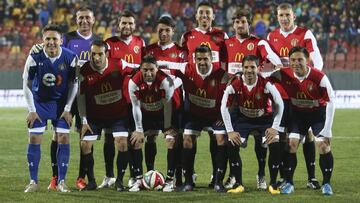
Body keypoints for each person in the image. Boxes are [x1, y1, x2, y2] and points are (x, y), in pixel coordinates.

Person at [30, 7, 100, 190]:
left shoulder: (99, 42)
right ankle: (56, 177)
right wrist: (37, 47)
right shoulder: (66, 38)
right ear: (76, 20)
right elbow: (49, 50)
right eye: (81, 18)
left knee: (85, 137)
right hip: (66, 95)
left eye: (87, 18)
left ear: (93, 20)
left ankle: (81, 178)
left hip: (87, 96)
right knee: (58, 135)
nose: (84, 21)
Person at [223, 8, 283, 190]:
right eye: (237, 22)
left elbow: (270, 55)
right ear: (233, 24)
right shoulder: (226, 44)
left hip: (257, 101)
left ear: (249, 23)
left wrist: (277, 63)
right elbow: (220, 66)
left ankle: (262, 175)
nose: (240, 25)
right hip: (235, 102)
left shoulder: (258, 42)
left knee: (261, 143)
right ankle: (233, 177)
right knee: (229, 140)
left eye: (243, 22)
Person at [267, 2, 323, 189]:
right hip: (282, 95)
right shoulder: (271, 36)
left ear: (293, 16)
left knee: (307, 134)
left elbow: (317, 60)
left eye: (287, 15)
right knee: (284, 138)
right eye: (281, 15)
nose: (284, 18)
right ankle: (285, 177)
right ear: (277, 17)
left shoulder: (304, 34)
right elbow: (273, 66)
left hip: (301, 94)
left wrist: (310, 80)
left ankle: (312, 178)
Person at [270, 46, 335, 195]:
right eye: (292, 60)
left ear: (307, 60)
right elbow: (264, 79)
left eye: (300, 59)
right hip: (298, 115)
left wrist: (328, 128)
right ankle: (289, 183)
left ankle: (326, 184)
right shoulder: (283, 74)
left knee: (323, 146)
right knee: (291, 144)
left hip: (318, 115)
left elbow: (331, 101)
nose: (296, 63)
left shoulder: (319, 77)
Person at [23, 24, 78, 193]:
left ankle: (61, 182)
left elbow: (74, 84)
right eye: (48, 38)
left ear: (61, 40)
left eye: (55, 38)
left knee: (63, 138)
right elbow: (26, 83)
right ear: (43, 40)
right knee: (34, 139)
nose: (51, 42)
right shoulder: (34, 56)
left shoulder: (70, 57)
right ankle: (33, 181)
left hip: (61, 104)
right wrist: (31, 109)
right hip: (39, 103)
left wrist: (68, 108)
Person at [179, 1, 228, 186]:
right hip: (194, 95)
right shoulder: (188, 36)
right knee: (188, 138)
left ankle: (216, 178)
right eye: (202, 13)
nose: (205, 16)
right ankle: (188, 178)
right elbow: (181, 62)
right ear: (196, 16)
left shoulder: (222, 36)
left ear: (213, 16)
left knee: (217, 138)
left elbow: (228, 62)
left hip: (215, 94)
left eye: (208, 13)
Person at [221, 55, 284, 194]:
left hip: (264, 120)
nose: (249, 70)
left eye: (252, 67)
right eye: (246, 67)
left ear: (258, 68)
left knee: (274, 143)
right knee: (232, 142)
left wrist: (274, 127)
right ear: (242, 68)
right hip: (244, 120)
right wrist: (230, 131)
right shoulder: (235, 84)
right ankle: (238, 183)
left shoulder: (265, 84)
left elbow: (280, 103)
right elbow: (223, 107)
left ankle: (272, 183)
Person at [170, 45, 228, 192]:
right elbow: (167, 68)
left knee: (221, 139)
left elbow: (231, 97)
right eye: (199, 59)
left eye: (205, 59)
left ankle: (218, 181)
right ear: (194, 59)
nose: (202, 62)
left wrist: (223, 116)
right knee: (187, 139)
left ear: (211, 59)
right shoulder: (187, 70)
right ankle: (188, 181)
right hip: (194, 115)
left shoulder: (221, 75)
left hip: (215, 116)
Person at [77, 40, 133, 192]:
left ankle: (120, 182)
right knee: (85, 144)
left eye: (100, 54)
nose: (96, 57)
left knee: (122, 142)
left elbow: (137, 72)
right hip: (95, 116)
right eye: (93, 54)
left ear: (107, 54)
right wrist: (84, 120)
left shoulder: (119, 64)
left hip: (118, 115)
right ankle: (92, 182)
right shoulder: (84, 71)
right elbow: (80, 97)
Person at [144, 16, 187, 188]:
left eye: (167, 30)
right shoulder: (148, 51)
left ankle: (174, 177)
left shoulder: (181, 52)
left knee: (173, 139)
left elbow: (184, 76)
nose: (163, 33)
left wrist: (169, 86)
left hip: (174, 104)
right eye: (160, 30)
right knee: (150, 138)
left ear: (173, 31)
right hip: (152, 105)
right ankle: (149, 174)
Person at [105, 10, 145, 188]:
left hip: (135, 98)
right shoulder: (110, 44)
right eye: (124, 23)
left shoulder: (140, 43)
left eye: (130, 23)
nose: (127, 26)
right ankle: (109, 176)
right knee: (110, 138)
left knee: (135, 139)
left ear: (134, 26)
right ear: (118, 24)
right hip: (115, 99)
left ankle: (135, 175)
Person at [128, 55, 178, 192]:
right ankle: (138, 180)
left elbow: (168, 106)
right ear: (140, 69)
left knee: (171, 140)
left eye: (152, 70)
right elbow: (135, 106)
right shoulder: (133, 82)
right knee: (135, 140)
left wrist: (167, 127)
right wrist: (138, 129)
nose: (148, 73)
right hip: (145, 114)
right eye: (145, 70)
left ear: (157, 69)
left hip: (163, 114)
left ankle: (169, 180)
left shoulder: (165, 81)